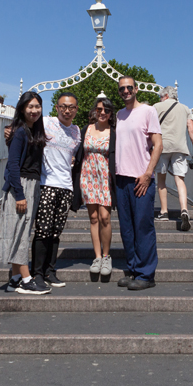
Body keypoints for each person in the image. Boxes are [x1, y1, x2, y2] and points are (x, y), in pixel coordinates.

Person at [0, 92, 51, 295]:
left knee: (21, 230)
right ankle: (27, 280)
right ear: (21, 108)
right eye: (30, 107)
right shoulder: (19, 132)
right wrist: (19, 194)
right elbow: (12, 164)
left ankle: (15, 278)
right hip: (21, 185)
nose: (34, 110)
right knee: (20, 232)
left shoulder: (32, 130)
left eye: (37, 106)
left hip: (31, 184)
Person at [114, 76, 163, 291]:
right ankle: (133, 268)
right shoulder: (119, 115)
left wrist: (148, 173)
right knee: (127, 229)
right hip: (121, 178)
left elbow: (158, 144)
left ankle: (146, 274)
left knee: (143, 227)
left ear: (136, 89)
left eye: (128, 88)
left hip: (140, 178)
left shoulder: (148, 111)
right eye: (122, 89)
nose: (125, 91)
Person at [31, 92, 82, 288]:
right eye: (63, 106)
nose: (67, 110)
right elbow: (22, 126)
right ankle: (37, 273)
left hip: (66, 187)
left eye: (71, 107)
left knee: (55, 232)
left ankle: (50, 272)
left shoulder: (77, 132)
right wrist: (9, 130)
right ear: (57, 107)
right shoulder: (44, 122)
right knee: (42, 231)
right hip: (47, 184)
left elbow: (74, 157)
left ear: (76, 110)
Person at [72, 96, 117, 277]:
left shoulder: (114, 132)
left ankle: (106, 256)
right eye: (99, 109)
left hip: (105, 176)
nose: (102, 113)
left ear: (111, 113)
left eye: (106, 110)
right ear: (94, 111)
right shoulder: (86, 129)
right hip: (88, 175)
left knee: (105, 217)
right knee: (93, 217)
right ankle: (97, 257)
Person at [153, 86, 193, 230]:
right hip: (180, 148)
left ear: (166, 95)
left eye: (161, 96)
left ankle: (164, 212)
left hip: (162, 147)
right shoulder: (185, 108)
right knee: (180, 180)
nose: (160, 99)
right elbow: (191, 130)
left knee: (161, 180)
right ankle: (184, 210)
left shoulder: (156, 107)